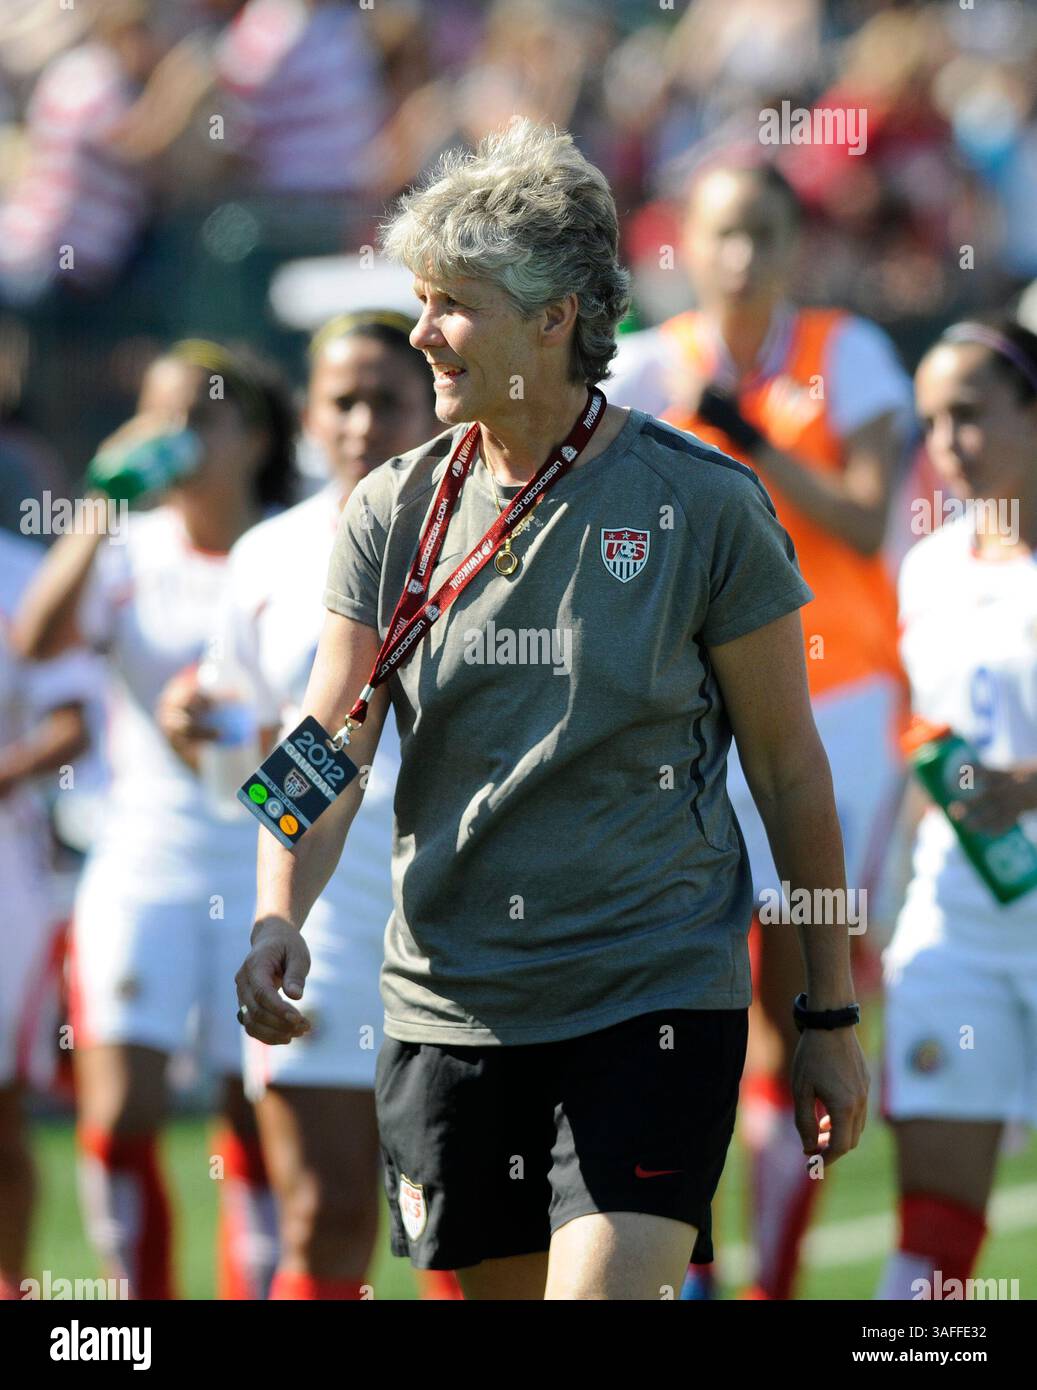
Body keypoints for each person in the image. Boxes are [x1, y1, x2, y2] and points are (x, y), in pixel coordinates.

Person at [236, 118, 869, 1302]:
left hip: (652, 994)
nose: (419, 332)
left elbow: (790, 772)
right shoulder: (389, 510)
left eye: (449, 304)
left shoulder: (704, 505)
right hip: (451, 1006)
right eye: (418, 301)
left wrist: (825, 1007)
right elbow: (328, 739)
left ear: (555, 316)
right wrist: (278, 905)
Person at [608, 159, 913, 1299]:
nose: (743, 256)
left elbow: (863, 512)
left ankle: (768, 1283)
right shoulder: (645, 363)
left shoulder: (850, 351)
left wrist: (751, 439)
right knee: (685, 1007)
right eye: (724, 232)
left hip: (828, 709)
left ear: (793, 245)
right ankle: (690, 1267)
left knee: (796, 1006)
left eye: (765, 233)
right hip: (688, 713)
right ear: (686, 242)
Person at [12, 339, 296, 1300]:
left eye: (199, 418)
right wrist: (99, 500)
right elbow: (36, 639)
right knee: (121, 1104)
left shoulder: (291, 546)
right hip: (143, 850)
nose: (174, 440)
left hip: (261, 853)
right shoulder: (131, 549)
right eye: (158, 415)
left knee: (254, 1109)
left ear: (253, 435)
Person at [202, 311, 451, 1299]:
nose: (359, 423)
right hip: (325, 918)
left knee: (456, 1230)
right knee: (325, 1216)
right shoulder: (265, 557)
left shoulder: (485, 535)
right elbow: (288, 755)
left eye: (385, 399)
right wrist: (275, 915)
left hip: (458, 920)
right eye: (339, 400)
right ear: (306, 413)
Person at [877, 318, 1037, 1299]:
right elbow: (922, 737)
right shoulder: (925, 567)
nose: (946, 442)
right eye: (931, 419)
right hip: (957, 919)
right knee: (932, 1231)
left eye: (970, 414)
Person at [0, 529, 96, 1301]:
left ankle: (15, 1289)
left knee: (2, 1115)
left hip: (7, 870)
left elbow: (74, 721)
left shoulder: (28, 571)